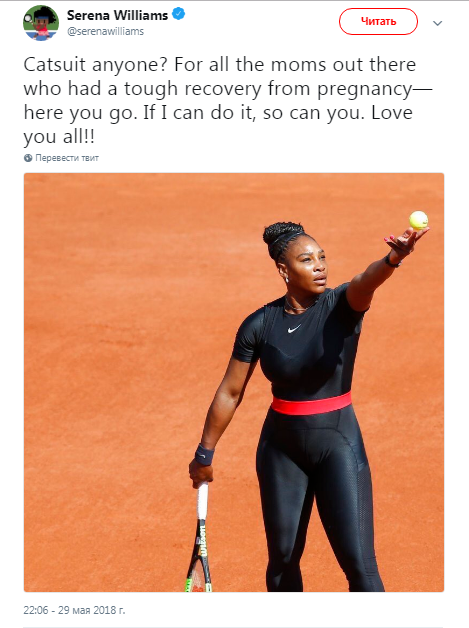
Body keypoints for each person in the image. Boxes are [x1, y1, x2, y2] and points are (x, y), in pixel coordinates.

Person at [188, 220, 429, 592]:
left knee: (360, 566)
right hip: (280, 450)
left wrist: (393, 258)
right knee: (282, 561)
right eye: (307, 260)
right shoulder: (259, 324)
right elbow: (230, 392)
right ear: (284, 270)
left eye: (322, 257)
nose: (319, 266)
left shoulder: (342, 306)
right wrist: (204, 453)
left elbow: (366, 281)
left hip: (338, 445)